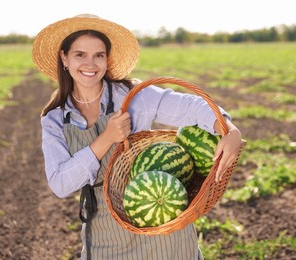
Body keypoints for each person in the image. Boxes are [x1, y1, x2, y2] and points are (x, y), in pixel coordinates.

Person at [32, 14, 242, 260]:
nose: (90, 64)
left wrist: (229, 128)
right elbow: (60, 184)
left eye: (98, 55)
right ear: (64, 58)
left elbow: (191, 107)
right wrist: (106, 139)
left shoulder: (134, 96)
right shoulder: (55, 120)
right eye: (80, 55)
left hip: (163, 226)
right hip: (104, 230)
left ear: (106, 59)